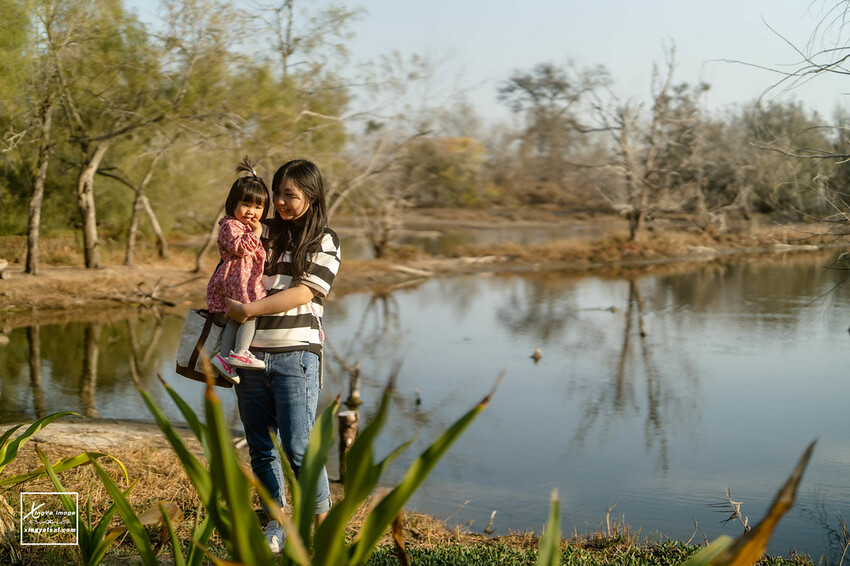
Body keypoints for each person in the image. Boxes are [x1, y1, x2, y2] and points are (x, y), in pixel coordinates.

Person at [225, 158, 340, 553]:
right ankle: (277, 523)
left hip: (297, 357)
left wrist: (249, 311)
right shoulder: (263, 232)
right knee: (259, 444)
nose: (281, 202)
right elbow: (231, 251)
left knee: (298, 447)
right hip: (249, 356)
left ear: (311, 194)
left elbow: (305, 292)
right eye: (278, 193)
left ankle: (324, 528)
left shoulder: (325, 239)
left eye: (290, 194)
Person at [205, 157, 271, 384]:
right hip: (236, 279)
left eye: (258, 207)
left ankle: (224, 358)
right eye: (246, 205)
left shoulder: (241, 226)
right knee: (250, 311)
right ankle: (240, 352)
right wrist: (256, 233)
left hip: (240, 279)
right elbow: (241, 248)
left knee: (237, 318)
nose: (251, 212)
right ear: (233, 204)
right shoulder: (231, 225)